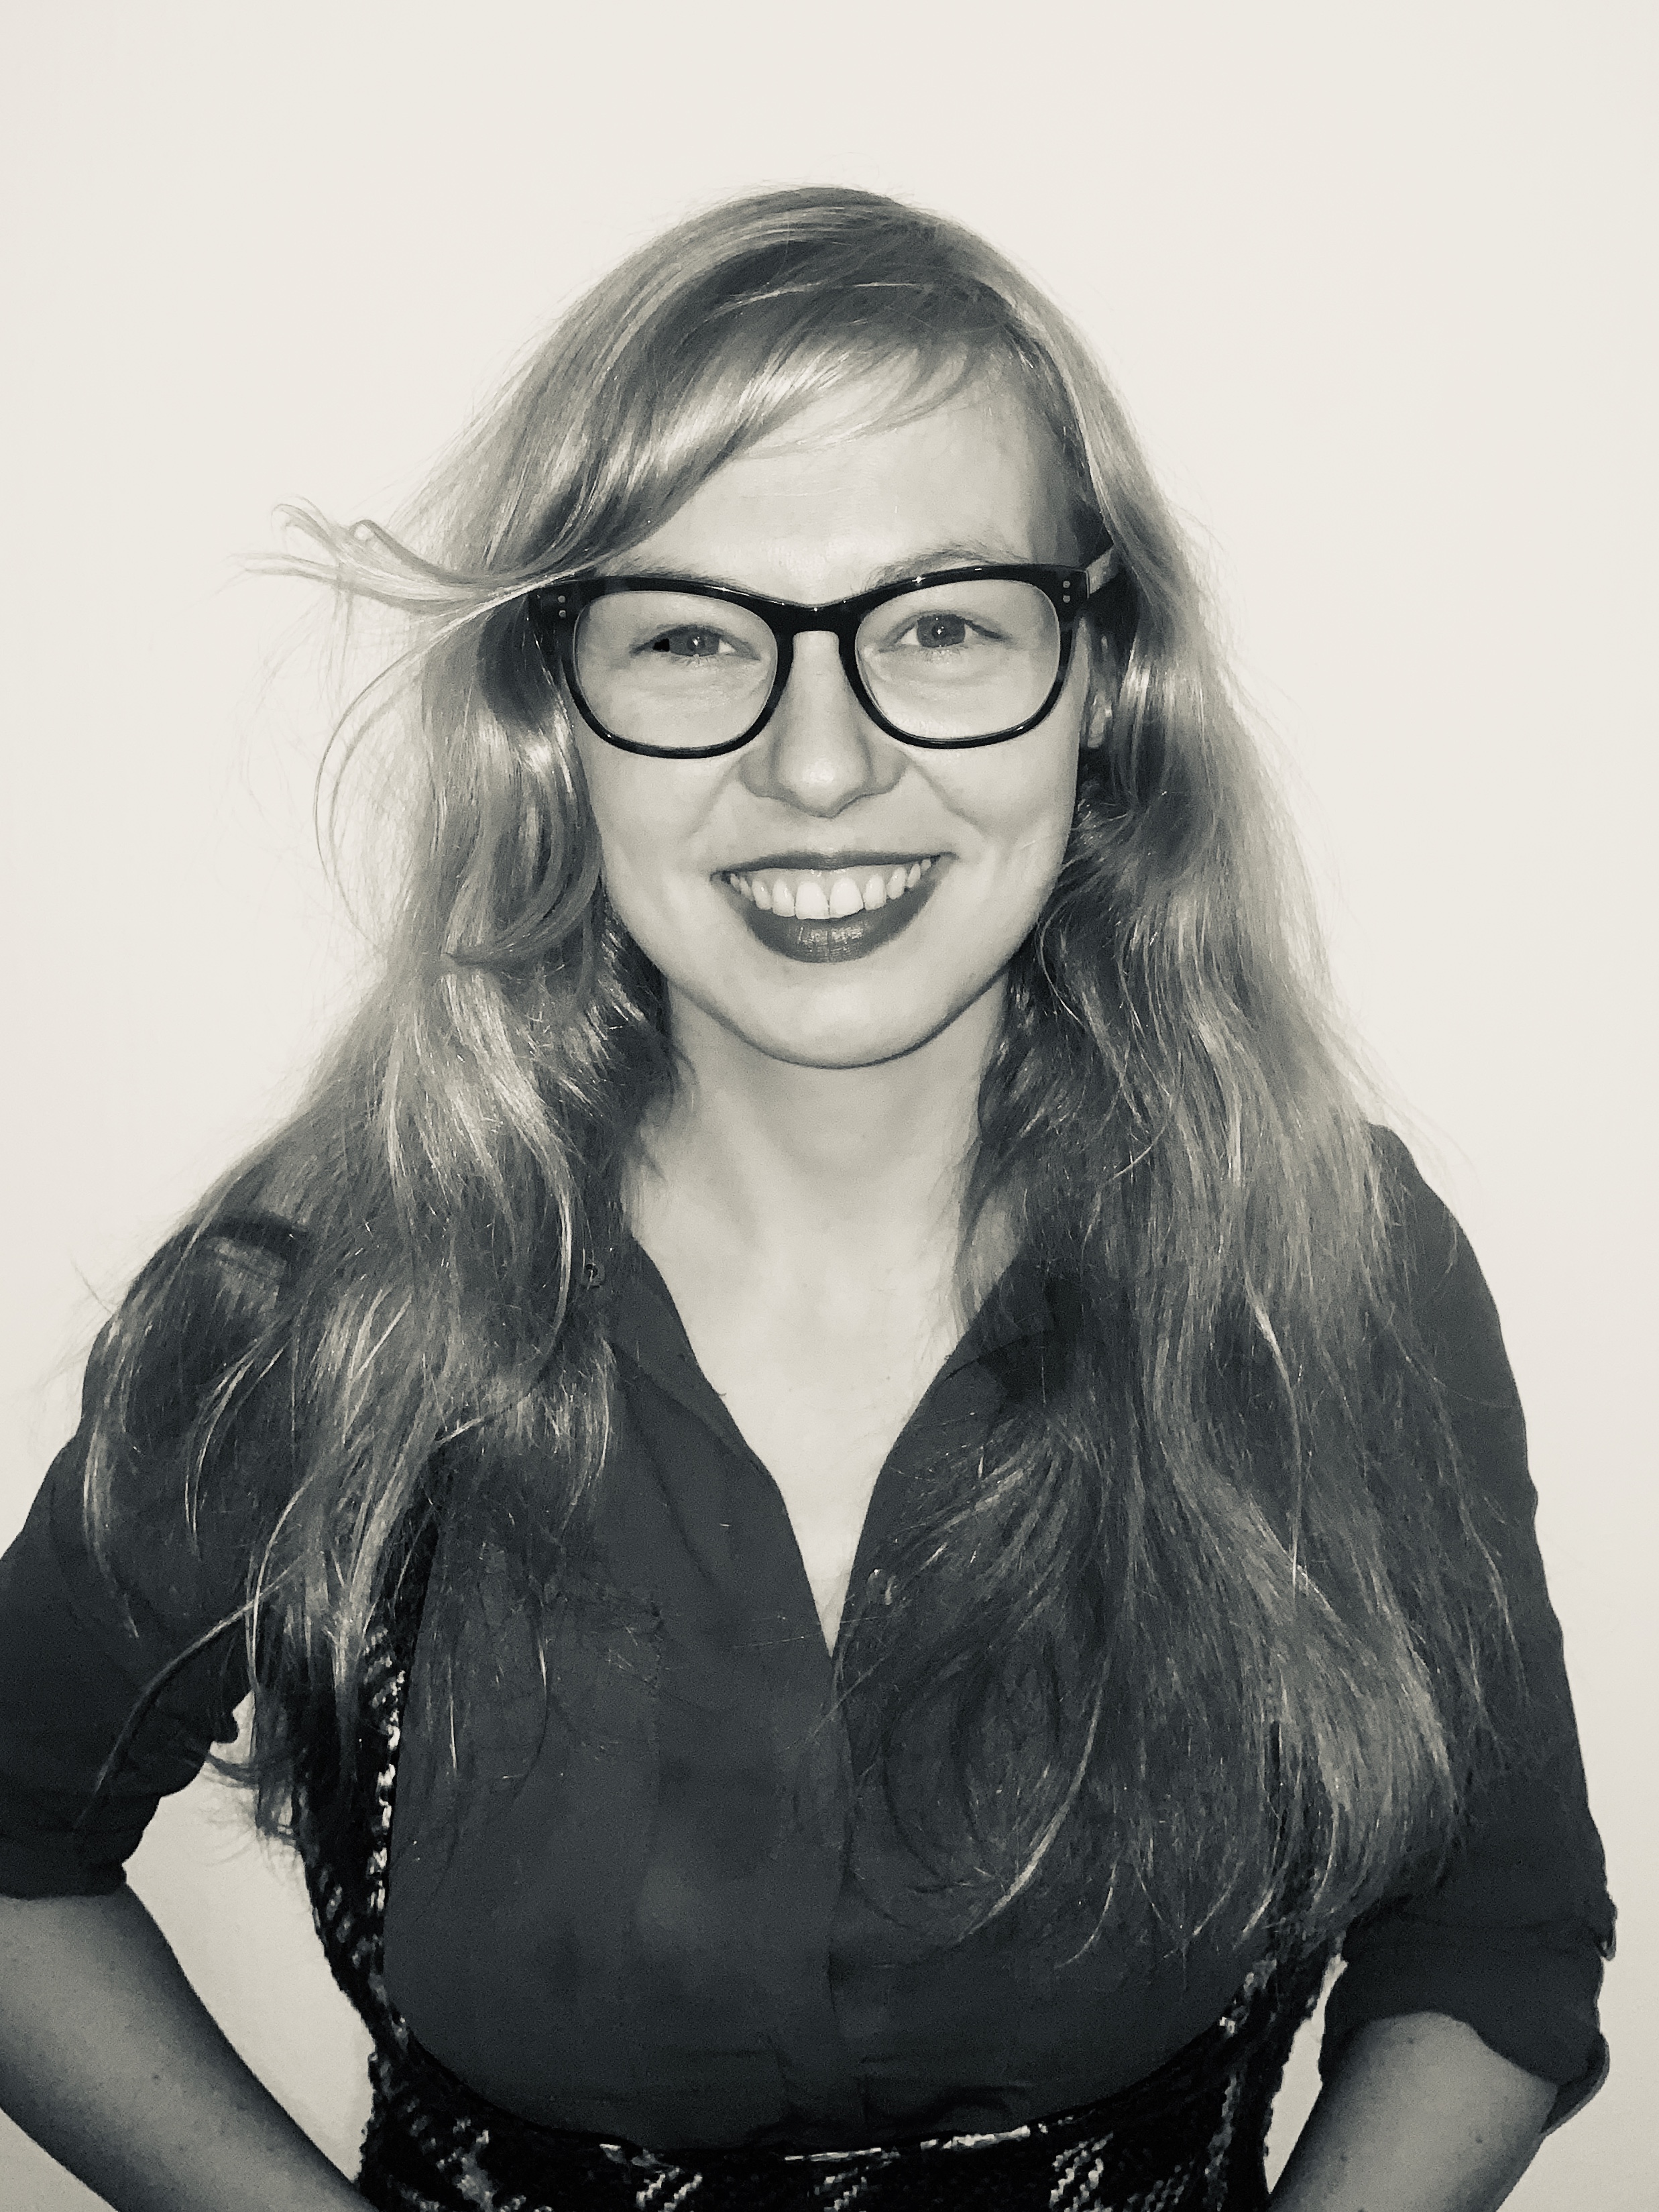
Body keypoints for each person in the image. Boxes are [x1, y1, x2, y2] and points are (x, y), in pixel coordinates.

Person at [0, 186, 1613, 2212]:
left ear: (1100, 676)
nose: (822, 764)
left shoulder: (1320, 1266)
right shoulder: (317, 1299)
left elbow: (1492, 1934)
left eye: (941, 624)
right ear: (554, 714)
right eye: (692, 638)